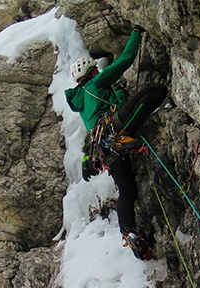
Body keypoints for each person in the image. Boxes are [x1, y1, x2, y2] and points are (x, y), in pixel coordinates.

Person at [64, 27, 168, 260]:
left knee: (127, 191)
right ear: (92, 70)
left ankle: (128, 232)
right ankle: (121, 140)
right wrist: (136, 33)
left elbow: (112, 105)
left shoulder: (82, 100)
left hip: (102, 149)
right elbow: (125, 60)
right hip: (111, 129)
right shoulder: (95, 84)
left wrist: (119, 95)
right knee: (156, 91)